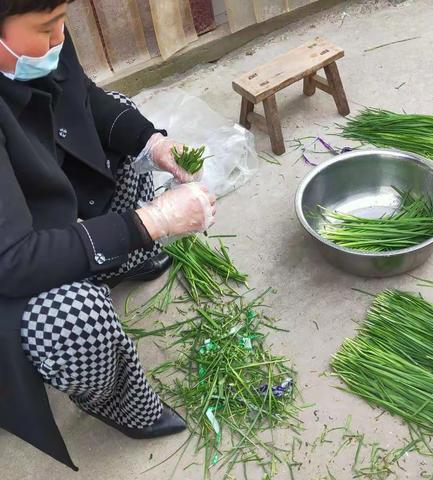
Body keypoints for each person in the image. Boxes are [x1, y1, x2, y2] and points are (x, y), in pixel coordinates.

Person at [0, 0, 216, 471]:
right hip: (7, 265)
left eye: (62, 23)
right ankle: (118, 399)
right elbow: (11, 262)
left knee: (120, 121)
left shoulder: (37, 48)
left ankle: (121, 259)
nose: (60, 39)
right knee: (73, 319)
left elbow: (80, 96)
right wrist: (151, 221)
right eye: (45, 28)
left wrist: (153, 143)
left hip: (30, 197)